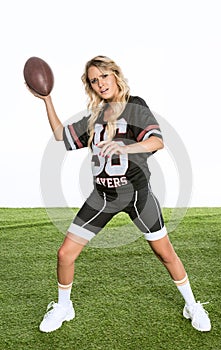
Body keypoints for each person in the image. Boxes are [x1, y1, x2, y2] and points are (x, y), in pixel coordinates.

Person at [27, 55, 211, 333]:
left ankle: (192, 304)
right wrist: (46, 99)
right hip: (102, 198)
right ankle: (64, 306)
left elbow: (157, 141)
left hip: (137, 196)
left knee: (165, 254)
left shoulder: (135, 106)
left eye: (103, 76)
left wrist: (125, 148)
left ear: (115, 75)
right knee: (65, 254)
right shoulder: (95, 116)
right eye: (93, 80)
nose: (100, 83)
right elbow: (60, 136)